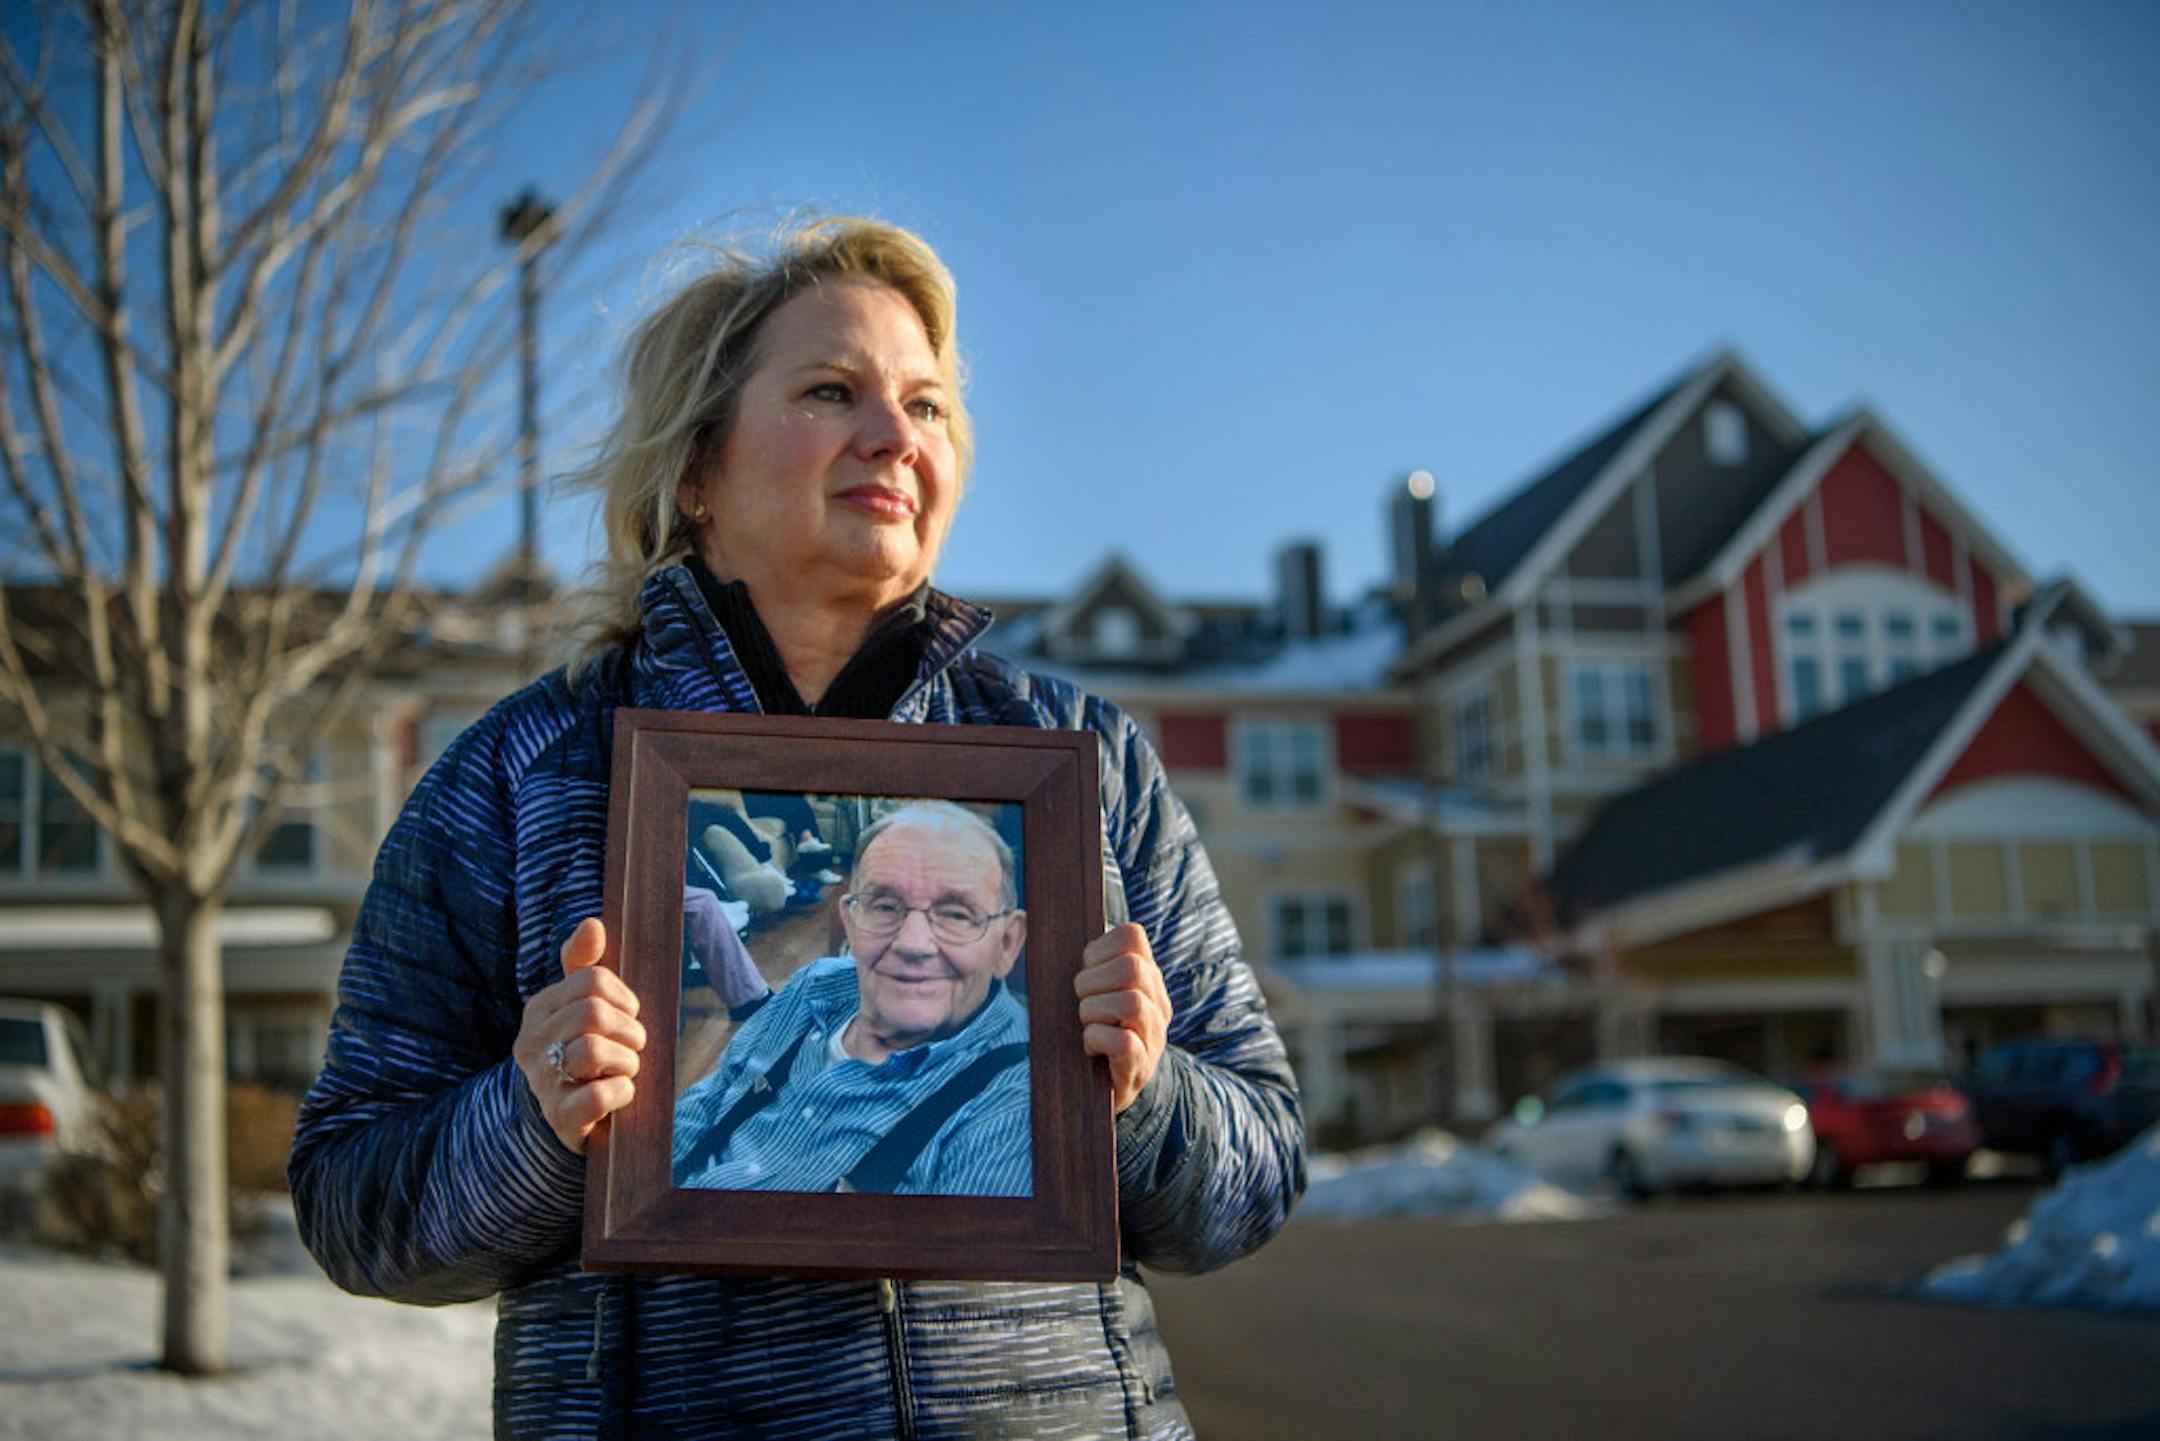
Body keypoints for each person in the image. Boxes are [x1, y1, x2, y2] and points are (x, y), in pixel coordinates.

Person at [289, 216, 1305, 1438]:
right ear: (696, 468)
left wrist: (1140, 1098)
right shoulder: (520, 774)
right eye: (834, 391)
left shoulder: (1085, 769)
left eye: (927, 407)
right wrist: (532, 1114)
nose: (895, 436)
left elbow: (1258, 1169)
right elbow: (353, 1202)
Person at [673, 801, 1031, 1196]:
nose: (912, 943)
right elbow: (708, 1101)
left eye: (957, 915)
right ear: (850, 920)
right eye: (885, 906)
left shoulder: (1014, 1101)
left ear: (1007, 943)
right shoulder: (813, 985)